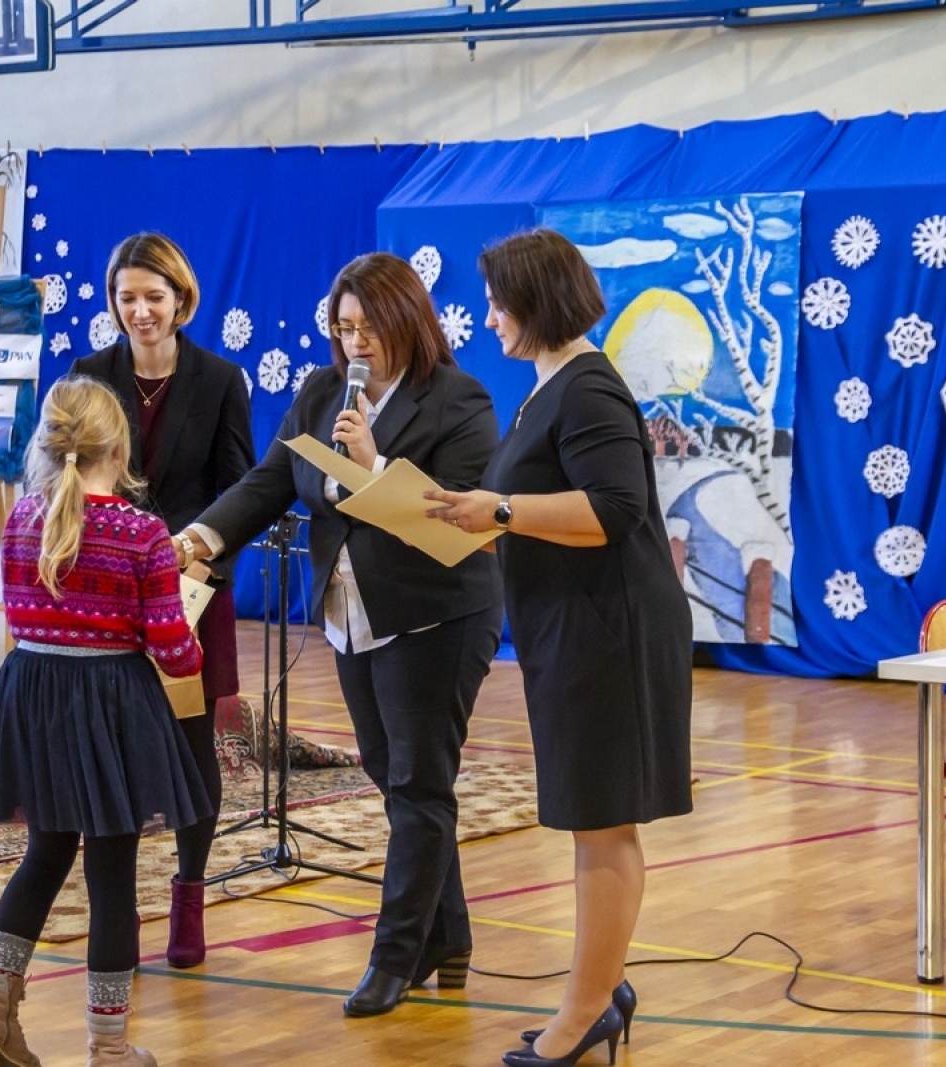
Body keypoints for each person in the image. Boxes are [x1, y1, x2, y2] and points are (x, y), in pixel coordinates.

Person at [175, 252, 504, 1017]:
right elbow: (267, 482)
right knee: (400, 781)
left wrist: (375, 463)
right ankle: (449, 939)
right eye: (343, 326)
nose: (356, 342)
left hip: (438, 613)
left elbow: (460, 515)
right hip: (354, 615)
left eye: (369, 326)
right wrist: (201, 536)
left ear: (407, 321)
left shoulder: (459, 399)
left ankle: (394, 958)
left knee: (420, 784)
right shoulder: (322, 391)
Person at [425, 228, 694, 1067]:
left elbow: (613, 510)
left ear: (538, 302)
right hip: (571, 628)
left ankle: (584, 1014)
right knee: (591, 818)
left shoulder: (588, 388)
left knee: (601, 823)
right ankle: (597, 988)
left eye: (502, 302)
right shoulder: (550, 387)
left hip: (608, 632)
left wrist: (499, 511)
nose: (491, 316)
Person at [0, 376, 210, 1067]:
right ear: (119, 447)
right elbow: (174, 653)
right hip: (112, 706)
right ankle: (108, 1047)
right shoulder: (143, 533)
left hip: (35, 695)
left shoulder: (20, 521)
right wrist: (192, 635)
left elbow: (20, 619)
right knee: (111, 875)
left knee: (43, 853)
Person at [69, 232, 254, 969]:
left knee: (190, 746)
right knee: (106, 744)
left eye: (154, 296)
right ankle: (115, 913)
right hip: (105, 593)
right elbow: (66, 482)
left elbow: (242, 492)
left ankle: (188, 894)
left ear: (181, 300)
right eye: (126, 297)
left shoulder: (218, 379)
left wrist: (196, 562)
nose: (140, 310)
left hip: (191, 592)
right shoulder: (89, 375)